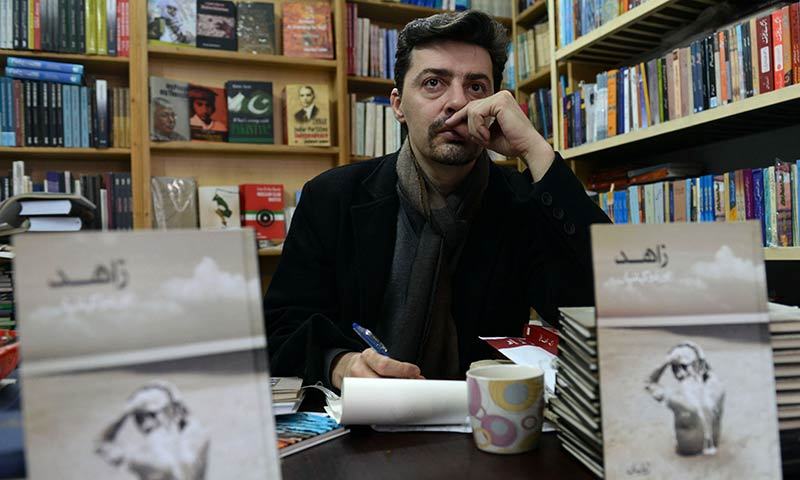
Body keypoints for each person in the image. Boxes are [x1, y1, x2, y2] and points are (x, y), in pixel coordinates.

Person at [264, 11, 610, 390]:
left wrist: (535, 150)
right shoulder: (332, 197)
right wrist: (340, 363)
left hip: (480, 424)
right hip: (359, 426)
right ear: (397, 105)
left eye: (476, 87)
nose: (456, 104)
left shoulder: (518, 201)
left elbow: (604, 306)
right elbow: (281, 328)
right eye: (433, 83)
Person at [95, 380, 210, 479]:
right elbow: (185, 417)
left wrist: (124, 414)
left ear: (140, 419)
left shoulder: (143, 457)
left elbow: (101, 443)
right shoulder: (198, 437)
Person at [645, 342, 725, 456]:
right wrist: (699, 359)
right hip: (713, 448)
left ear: (676, 371)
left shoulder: (675, 397)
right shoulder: (718, 388)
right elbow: (709, 372)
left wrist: (666, 361)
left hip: (689, 453)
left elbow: (648, 383)